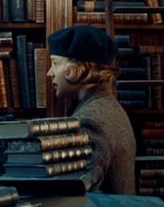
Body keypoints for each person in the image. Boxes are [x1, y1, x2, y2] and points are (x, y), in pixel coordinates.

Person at [47, 25, 136, 195]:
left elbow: (78, 196)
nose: (50, 73)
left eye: (56, 63)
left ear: (77, 69)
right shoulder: (107, 107)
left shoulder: (91, 121)